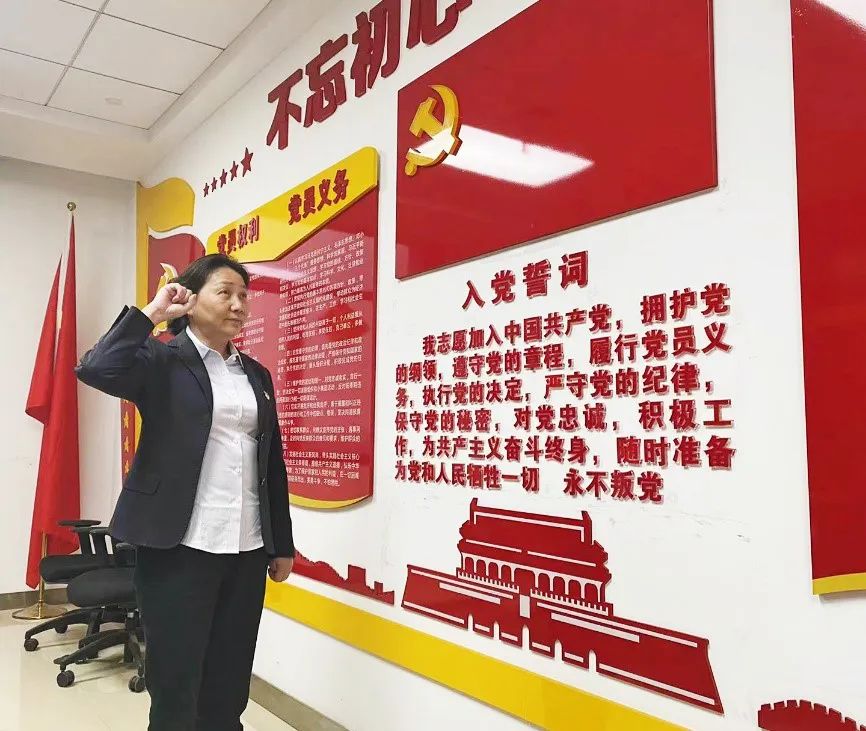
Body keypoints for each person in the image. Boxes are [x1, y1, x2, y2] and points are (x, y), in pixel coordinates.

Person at [76, 253, 294, 731]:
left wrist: (282, 544)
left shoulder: (256, 375)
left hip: (246, 547)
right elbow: (96, 368)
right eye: (225, 293)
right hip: (179, 545)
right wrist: (153, 313)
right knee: (175, 680)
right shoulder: (161, 359)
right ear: (191, 300)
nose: (238, 305)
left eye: (244, 296)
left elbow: (270, 463)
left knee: (229, 677)